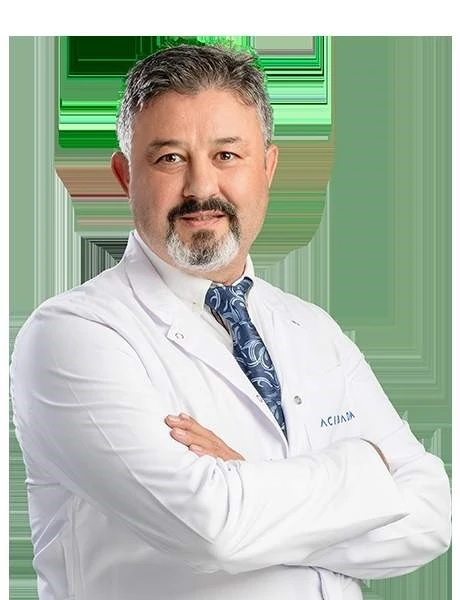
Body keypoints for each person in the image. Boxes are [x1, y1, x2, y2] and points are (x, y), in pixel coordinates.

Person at [11, 43, 451, 600]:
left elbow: (433, 516)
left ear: (267, 167)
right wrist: (367, 473)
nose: (201, 187)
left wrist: (246, 480)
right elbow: (212, 528)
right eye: (170, 158)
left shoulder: (314, 330)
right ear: (125, 175)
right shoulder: (72, 334)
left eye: (226, 155)